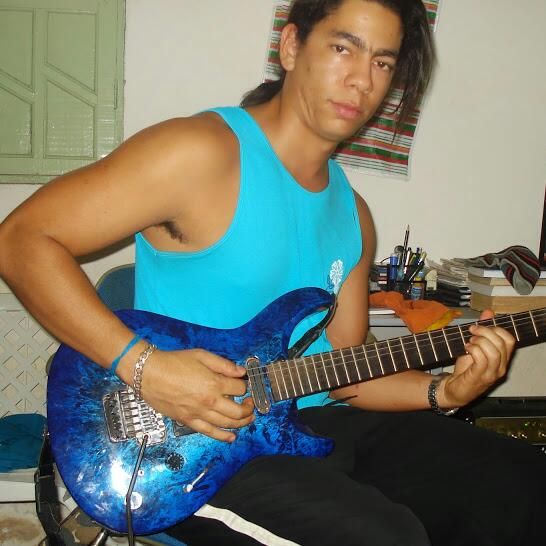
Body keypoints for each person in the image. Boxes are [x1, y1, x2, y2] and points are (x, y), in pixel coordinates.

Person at [0, 0, 545, 544]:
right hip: (192, 448)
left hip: (313, 428)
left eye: (382, 62)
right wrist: (146, 367)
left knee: (521, 485)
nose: (362, 80)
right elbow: (22, 240)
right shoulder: (201, 153)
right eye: (343, 48)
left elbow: (346, 376)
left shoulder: (354, 215)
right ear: (290, 46)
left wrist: (445, 391)